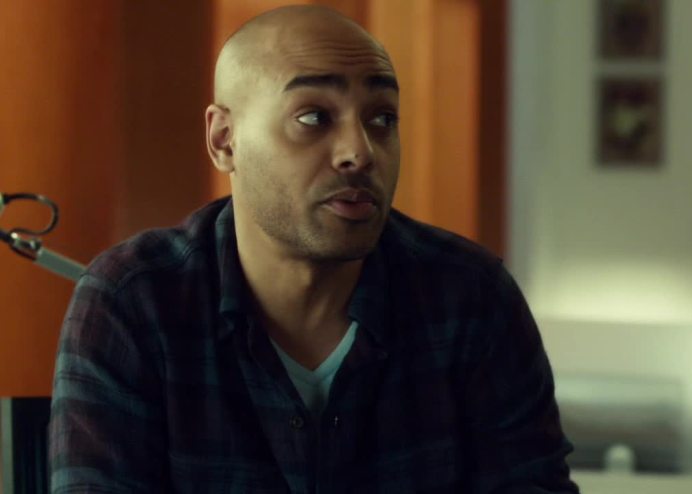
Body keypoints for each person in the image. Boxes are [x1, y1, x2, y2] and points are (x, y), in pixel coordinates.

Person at [48, 5, 578, 493]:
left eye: (382, 118)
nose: (359, 152)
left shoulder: (470, 297)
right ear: (224, 139)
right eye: (313, 118)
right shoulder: (135, 302)